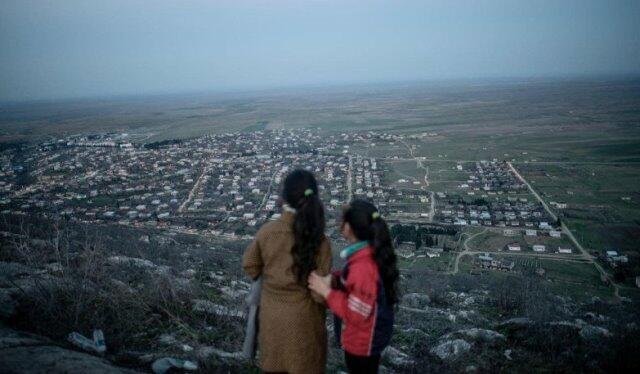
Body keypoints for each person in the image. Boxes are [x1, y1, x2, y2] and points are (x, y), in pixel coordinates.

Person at [243, 169, 332, 374]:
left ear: (284, 197)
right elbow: (319, 295)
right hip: (305, 324)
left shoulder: (267, 232)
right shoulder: (320, 240)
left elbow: (250, 264)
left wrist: (273, 279)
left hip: (272, 321)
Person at [308, 200, 399, 374]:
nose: (338, 222)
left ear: (349, 227)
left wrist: (326, 291)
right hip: (372, 336)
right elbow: (357, 284)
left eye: (342, 219)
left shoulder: (363, 266)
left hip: (363, 342)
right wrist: (335, 278)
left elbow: (356, 313)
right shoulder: (369, 252)